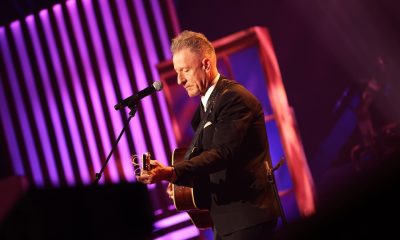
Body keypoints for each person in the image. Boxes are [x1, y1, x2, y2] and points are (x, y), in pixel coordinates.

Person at [137, 30, 280, 240]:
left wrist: (171, 172)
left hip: (248, 218)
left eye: (185, 70)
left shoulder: (233, 98)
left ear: (206, 64)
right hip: (226, 220)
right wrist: (180, 183)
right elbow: (210, 165)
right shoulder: (207, 104)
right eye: (177, 72)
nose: (179, 80)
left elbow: (221, 154)